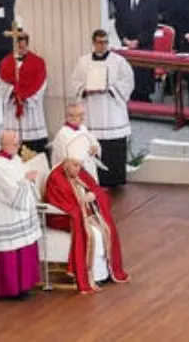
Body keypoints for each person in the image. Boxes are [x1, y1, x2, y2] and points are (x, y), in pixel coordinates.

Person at [44, 156, 132, 293]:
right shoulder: (56, 178)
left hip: (85, 213)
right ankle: (91, 276)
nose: (78, 169)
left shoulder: (80, 172)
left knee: (106, 229)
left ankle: (105, 273)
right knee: (94, 235)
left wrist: (93, 195)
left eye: (80, 165)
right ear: (65, 163)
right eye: (75, 165)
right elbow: (57, 203)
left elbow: (96, 188)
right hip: (66, 218)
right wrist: (80, 209)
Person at [69, 30, 135, 187]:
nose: (103, 45)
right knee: (93, 147)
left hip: (112, 113)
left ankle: (116, 181)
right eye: (99, 42)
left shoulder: (119, 61)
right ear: (93, 43)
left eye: (105, 42)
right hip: (92, 112)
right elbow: (75, 82)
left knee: (113, 150)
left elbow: (128, 82)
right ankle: (94, 180)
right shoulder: (83, 62)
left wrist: (110, 89)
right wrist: (85, 90)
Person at [0, 130, 41, 301]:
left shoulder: (15, 159)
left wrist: (28, 178)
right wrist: (26, 181)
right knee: (11, 252)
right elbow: (10, 191)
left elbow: (21, 178)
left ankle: (24, 286)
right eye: (14, 144)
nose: (18, 147)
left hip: (20, 214)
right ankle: (10, 290)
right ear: (4, 144)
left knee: (24, 248)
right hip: (7, 214)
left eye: (18, 143)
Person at [0, 30, 50, 154]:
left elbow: (41, 84)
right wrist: (13, 92)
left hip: (30, 111)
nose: (21, 48)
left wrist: (25, 96)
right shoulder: (6, 63)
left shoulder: (38, 62)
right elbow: (0, 85)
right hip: (13, 111)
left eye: (23, 45)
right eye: (18, 46)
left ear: (27, 44)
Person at [50, 103, 105, 182]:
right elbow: (62, 159)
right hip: (74, 173)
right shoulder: (63, 134)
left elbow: (94, 143)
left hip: (89, 168)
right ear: (70, 117)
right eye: (80, 115)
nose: (83, 118)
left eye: (83, 114)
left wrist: (95, 149)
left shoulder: (83, 128)